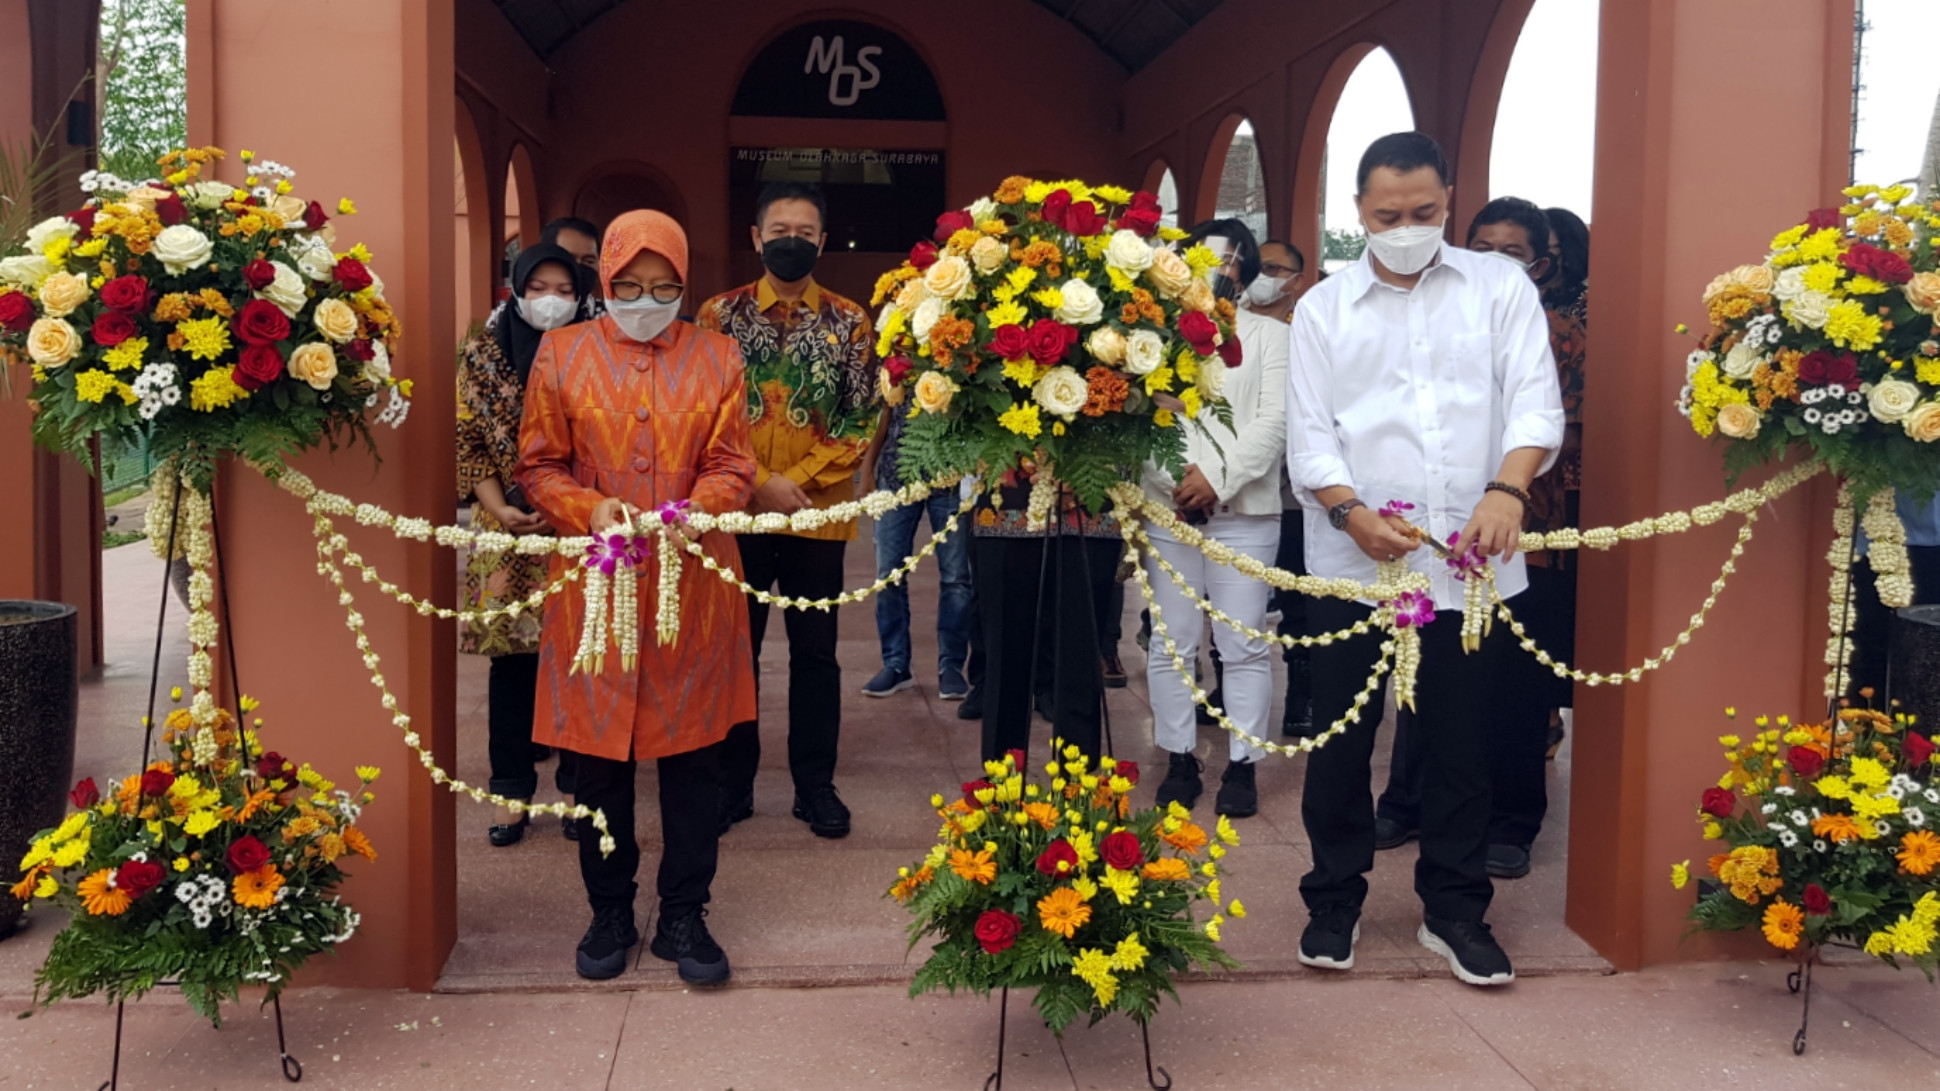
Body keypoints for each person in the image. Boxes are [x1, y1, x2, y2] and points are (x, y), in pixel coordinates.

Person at [1286, 132, 1562, 987]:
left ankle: (1455, 908)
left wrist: (1506, 490)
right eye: (1385, 215)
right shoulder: (1324, 309)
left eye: (1424, 212)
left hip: (1470, 568)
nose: (1405, 228)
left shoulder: (1497, 287)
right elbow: (1310, 435)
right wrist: (1350, 512)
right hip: (1353, 561)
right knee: (1338, 742)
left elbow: (1532, 400)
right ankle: (1334, 899)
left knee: (1459, 743)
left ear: (1450, 196)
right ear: (1357, 212)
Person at [516, 210, 757, 984]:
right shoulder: (561, 354)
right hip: (596, 587)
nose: (645, 300)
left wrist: (695, 510)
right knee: (598, 763)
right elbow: (539, 464)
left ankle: (685, 914)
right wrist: (591, 510)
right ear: (605, 280)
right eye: (628, 285)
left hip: (693, 585)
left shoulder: (717, 356)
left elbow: (733, 465)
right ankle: (609, 909)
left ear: (685, 285)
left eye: (664, 287)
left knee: (694, 761)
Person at [698, 182, 878, 841]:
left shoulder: (850, 321)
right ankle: (732, 783)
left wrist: (792, 481)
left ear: (823, 241)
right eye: (780, 228)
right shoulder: (717, 317)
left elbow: (863, 416)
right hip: (738, 513)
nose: (792, 239)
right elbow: (703, 413)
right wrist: (758, 480)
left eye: (806, 230)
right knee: (734, 650)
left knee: (816, 653)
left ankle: (814, 785)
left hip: (815, 515)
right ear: (756, 236)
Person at [1144, 218, 1288, 818]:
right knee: (1171, 641)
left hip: (1244, 515)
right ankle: (1179, 755)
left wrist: (1217, 479)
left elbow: (1273, 424)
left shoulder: (1270, 337)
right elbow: (1135, 421)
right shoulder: (1150, 334)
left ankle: (1243, 762)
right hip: (1167, 509)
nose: (1215, 270)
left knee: (1244, 643)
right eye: (1203, 258)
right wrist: (1175, 481)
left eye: (1228, 260)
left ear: (1246, 268)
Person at [458, 242, 588, 847]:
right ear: (515, 289)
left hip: (580, 527)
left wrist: (568, 505)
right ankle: (510, 789)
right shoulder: (482, 353)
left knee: (579, 661)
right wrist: (500, 508)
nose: (551, 302)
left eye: (564, 290)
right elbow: (468, 442)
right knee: (512, 669)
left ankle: (574, 788)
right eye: (538, 289)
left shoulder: (598, 350)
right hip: (506, 529)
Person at [972, 470, 1119, 765]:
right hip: (1009, 500)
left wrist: (1077, 468)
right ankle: (1002, 790)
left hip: (1090, 491)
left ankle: (1077, 794)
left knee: (1080, 655)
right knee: (1005, 655)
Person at [1245, 238, 1317, 738]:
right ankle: (1224, 687)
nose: (1262, 275)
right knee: (1234, 597)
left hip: (1293, 490)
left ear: (1295, 281)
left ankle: (1302, 695)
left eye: (1273, 268)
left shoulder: (1307, 331)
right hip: (1240, 483)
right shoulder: (1230, 326)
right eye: (1258, 265)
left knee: (1297, 598)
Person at [861, 400, 973, 701]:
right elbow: (882, 413)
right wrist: (867, 469)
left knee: (957, 578)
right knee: (889, 574)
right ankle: (895, 664)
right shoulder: (895, 353)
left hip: (952, 477)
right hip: (896, 473)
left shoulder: (963, 353)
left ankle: (951, 666)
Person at [484, 218, 606, 332]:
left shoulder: (608, 318)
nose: (578, 267)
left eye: (589, 261)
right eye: (569, 259)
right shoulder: (503, 317)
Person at [1243, 239, 1311, 323]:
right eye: (1253, 267)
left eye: (1271, 268)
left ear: (1297, 281)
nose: (1258, 275)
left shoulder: (1308, 326)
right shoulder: (1226, 320)